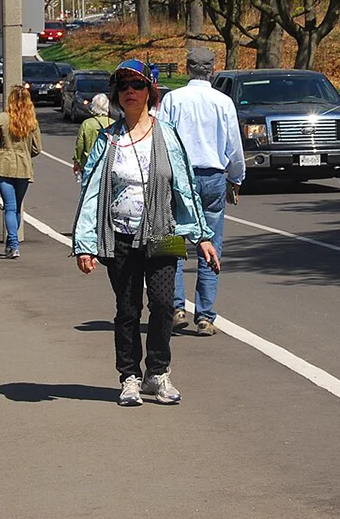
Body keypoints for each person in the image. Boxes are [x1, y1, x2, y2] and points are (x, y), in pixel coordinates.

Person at [72, 59, 219, 406]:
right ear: (116, 96)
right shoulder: (108, 140)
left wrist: (203, 236)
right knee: (127, 309)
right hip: (120, 236)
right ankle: (130, 378)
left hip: (163, 232)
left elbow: (185, 187)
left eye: (136, 86)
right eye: (123, 87)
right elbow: (91, 193)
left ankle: (157, 373)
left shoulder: (166, 134)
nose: (129, 93)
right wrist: (85, 244)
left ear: (149, 92)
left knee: (164, 305)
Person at [159, 47, 244, 337]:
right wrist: (236, 178)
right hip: (212, 176)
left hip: (179, 176)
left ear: (187, 68)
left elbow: (162, 136)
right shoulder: (223, 102)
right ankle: (205, 315)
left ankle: (176, 306)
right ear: (212, 69)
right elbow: (234, 145)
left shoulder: (173, 99)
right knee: (210, 243)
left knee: (173, 241)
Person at [0, 85, 42, 258]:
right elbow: (37, 148)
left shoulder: (1, 118)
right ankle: (13, 243)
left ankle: (13, 244)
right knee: (17, 207)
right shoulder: (31, 121)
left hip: (3, 165)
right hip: (24, 166)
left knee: (9, 207)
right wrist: (25, 153)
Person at [73, 94, 112, 176]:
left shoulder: (87, 123)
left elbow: (80, 144)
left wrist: (77, 160)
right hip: (108, 165)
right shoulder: (113, 123)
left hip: (89, 164)